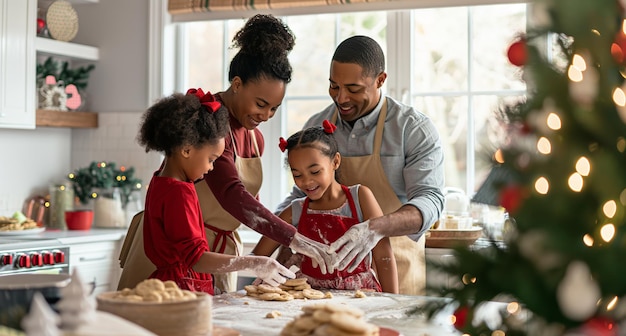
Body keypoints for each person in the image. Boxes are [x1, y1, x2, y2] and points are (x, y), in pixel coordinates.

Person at [118, 14, 332, 293]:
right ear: (237, 83)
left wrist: (273, 249)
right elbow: (233, 196)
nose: (266, 115)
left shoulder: (255, 138)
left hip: (217, 255)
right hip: (178, 255)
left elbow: (251, 206)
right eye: (260, 104)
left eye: (274, 109)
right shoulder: (207, 125)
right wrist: (292, 239)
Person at [276, 35, 445, 295]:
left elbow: (430, 201)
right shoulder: (318, 126)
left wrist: (374, 228)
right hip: (328, 284)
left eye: (353, 89)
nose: (341, 98)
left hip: (398, 270)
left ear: (380, 80)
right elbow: (301, 197)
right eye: (334, 86)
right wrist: (281, 240)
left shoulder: (412, 129)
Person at [135, 88, 295, 294]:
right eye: (211, 159)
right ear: (186, 150)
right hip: (181, 289)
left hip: (179, 283)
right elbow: (197, 259)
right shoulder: (178, 193)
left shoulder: (163, 181)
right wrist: (254, 263)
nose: (211, 168)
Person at [253, 121, 398, 293]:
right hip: (310, 295)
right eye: (297, 175)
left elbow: (384, 257)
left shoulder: (360, 198)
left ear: (335, 162)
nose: (306, 182)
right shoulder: (295, 211)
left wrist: (393, 302)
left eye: (315, 172)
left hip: (359, 294)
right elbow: (259, 256)